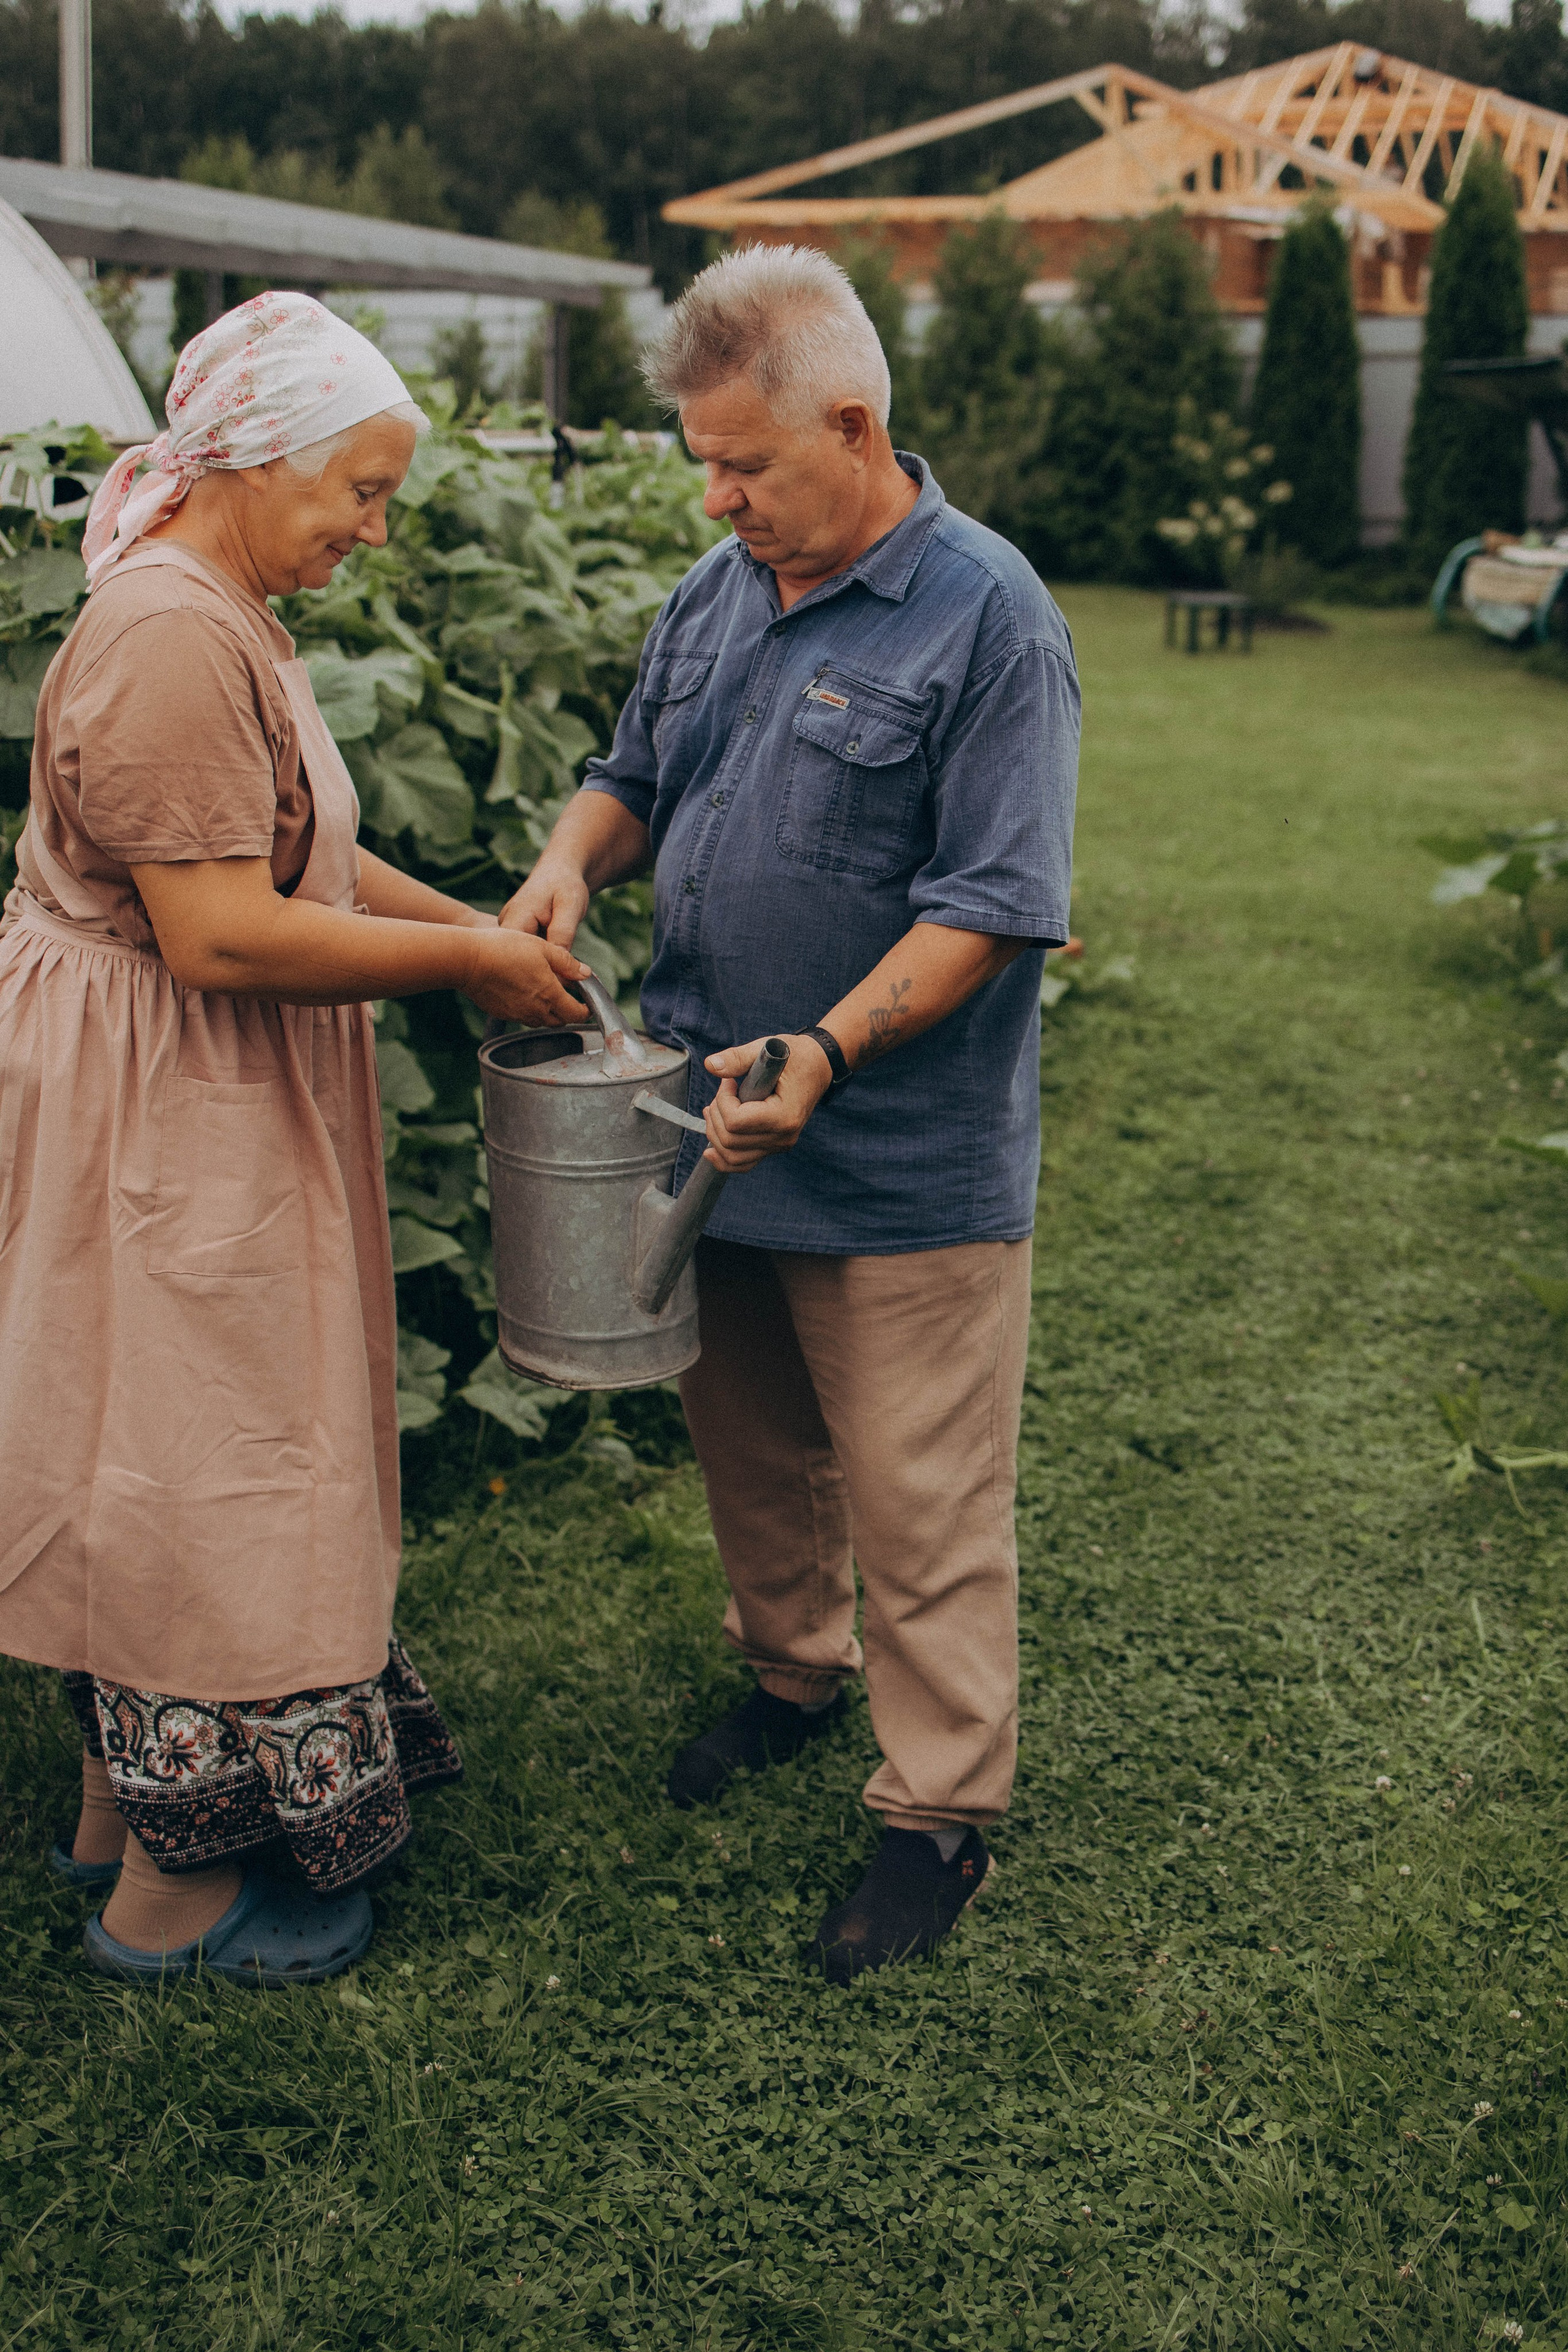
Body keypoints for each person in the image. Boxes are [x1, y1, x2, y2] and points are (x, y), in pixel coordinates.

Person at [503, 246, 1080, 1983]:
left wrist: (825, 1049)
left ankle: (938, 1816)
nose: (717, 492)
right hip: (703, 1122)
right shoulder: (718, 587)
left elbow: (993, 903)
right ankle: (789, 1673)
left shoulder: (992, 620)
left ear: (854, 424)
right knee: (748, 1447)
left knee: (920, 1498)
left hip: (898, 1157)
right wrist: (565, 862)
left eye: (744, 462)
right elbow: (631, 772)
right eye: (704, 462)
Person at [0, 293, 589, 1986]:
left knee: (157, 1443)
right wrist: (471, 961)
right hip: (170, 1094)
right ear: (249, 461)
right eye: (359, 489)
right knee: (203, 1465)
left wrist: (476, 920)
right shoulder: (177, 637)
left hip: (178, 1084)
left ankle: (121, 1820)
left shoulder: (217, 602)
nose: (372, 527)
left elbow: (301, 865)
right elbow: (222, 935)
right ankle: (174, 1904)